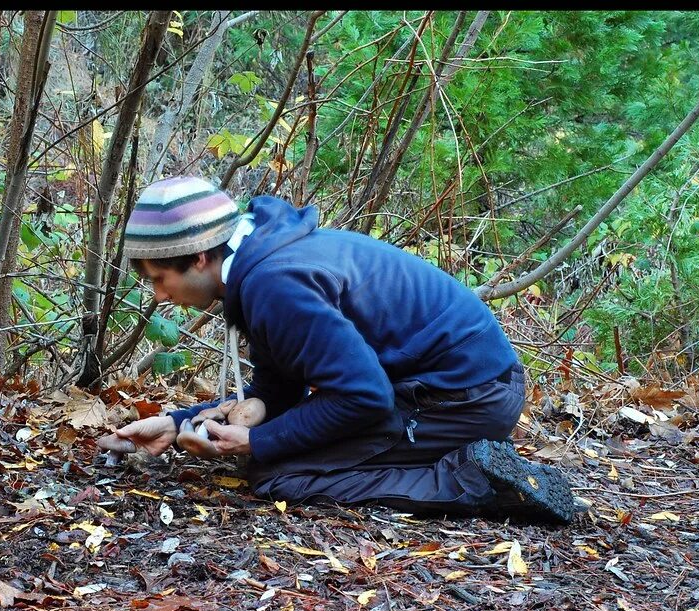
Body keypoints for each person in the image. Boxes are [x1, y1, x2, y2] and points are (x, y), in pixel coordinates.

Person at [114, 176, 581, 524]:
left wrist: (257, 441)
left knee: (278, 475)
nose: (158, 296)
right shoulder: (261, 260)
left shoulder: (275, 284)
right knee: (275, 447)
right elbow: (279, 383)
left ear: (199, 256)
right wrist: (178, 424)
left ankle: (474, 480)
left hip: (465, 396)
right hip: (451, 382)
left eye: (159, 279)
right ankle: (447, 457)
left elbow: (363, 398)